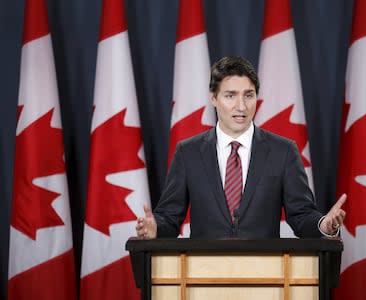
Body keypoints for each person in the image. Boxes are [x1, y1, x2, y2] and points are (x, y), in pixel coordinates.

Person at [136, 56, 346, 239]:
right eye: (230, 96)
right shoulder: (188, 153)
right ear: (214, 98)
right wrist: (155, 228)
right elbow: (170, 218)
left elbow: (301, 215)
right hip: (204, 276)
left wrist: (323, 225)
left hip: (266, 276)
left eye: (248, 95)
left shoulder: (283, 151)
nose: (241, 106)